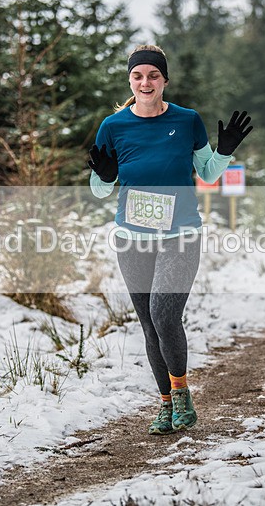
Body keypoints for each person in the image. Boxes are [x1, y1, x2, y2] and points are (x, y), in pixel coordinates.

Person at [88, 45, 252, 435]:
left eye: (153, 76)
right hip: (132, 238)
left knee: (164, 312)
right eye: (138, 76)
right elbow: (98, 188)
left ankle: (181, 395)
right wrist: (107, 174)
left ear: (164, 80)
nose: (146, 82)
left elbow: (208, 173)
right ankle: (164, 404)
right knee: (148, 323)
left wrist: (225, 151)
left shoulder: (187, 120)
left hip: (181, 233)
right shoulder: (112, 126)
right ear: (130, 80)